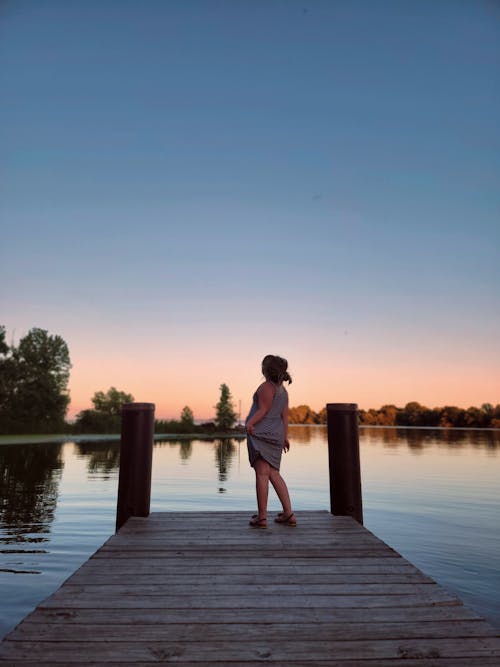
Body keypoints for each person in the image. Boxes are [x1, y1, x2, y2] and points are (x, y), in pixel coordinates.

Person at [245, 354, 296, 528]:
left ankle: (262, 518)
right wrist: (284, 437)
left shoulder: (267, 387)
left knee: (262, 474)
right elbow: (285, 416)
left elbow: (263, 410)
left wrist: (250, 423)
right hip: (275, 435)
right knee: (274, 473)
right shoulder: (283, 391)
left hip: (262, 434)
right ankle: (289, 514)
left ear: (265, 370)